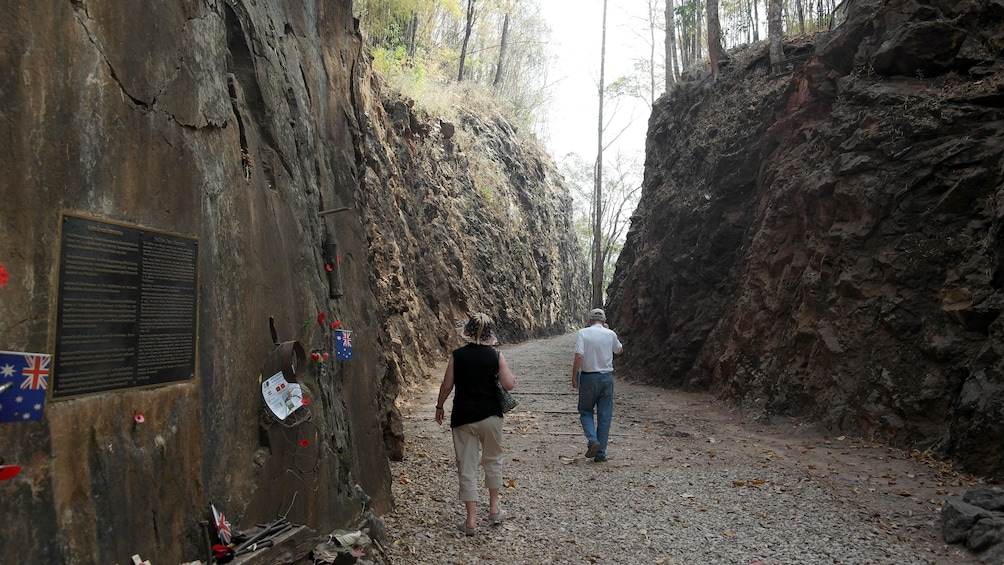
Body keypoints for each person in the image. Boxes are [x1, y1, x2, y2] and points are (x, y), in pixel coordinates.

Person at [435, 313, 516, 536]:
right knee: (493, 459)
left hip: (463, 417)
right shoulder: (496, 356)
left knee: (467, 465)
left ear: (467, 332)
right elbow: (509, 384)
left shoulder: (457, 356)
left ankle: (470, 520)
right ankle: (494, 508)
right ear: (490, 334)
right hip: (491, 415)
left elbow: (446, 386)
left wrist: (439, 406)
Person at [571, 308, 623, 462]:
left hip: (588, 378)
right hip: (606, 378)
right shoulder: (610, 334)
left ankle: (593, 440)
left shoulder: (583, 333)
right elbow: (619, 351)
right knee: (604, 415)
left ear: (589, 320)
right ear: (604, 321)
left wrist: (574, 376)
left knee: (585, 411)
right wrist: (609, 333)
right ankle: (601, 454)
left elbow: (579, 356)